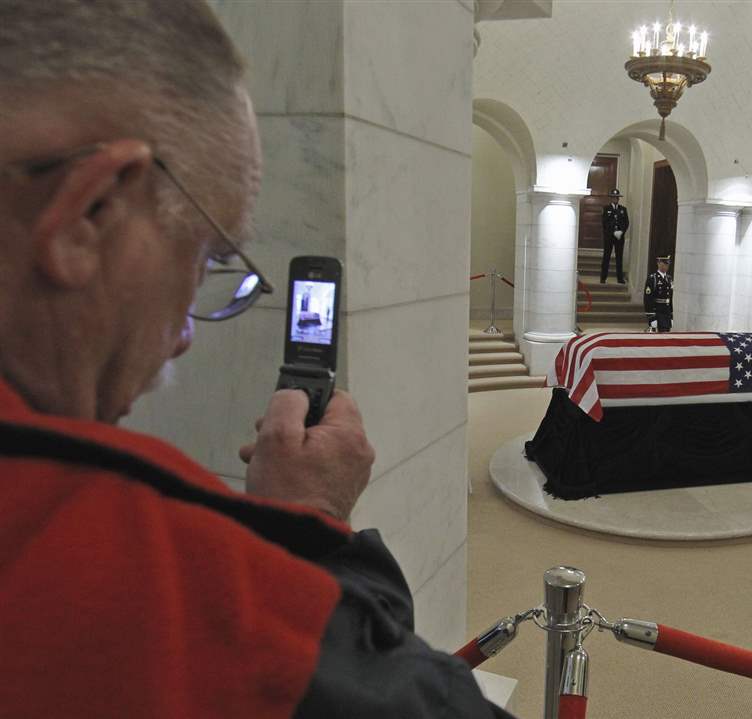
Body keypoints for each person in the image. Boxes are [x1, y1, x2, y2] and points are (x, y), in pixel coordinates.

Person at [0, 2, 512, 717]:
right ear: (90, 214)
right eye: (210, 256)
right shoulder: (145, 572)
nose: (183, 335)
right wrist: (311, 522)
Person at [600, 187, 630, 284]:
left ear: (618, 198)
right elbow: (605, 223)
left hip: (619, 237)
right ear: (611, 198)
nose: (615, 199)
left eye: (617, 197)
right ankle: (603, 278)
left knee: (619, 258)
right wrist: (613, 231)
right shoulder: (606, 209)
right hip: (609, 236)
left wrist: (621, 232)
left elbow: (626, 223)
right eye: (614, 197)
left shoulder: (623, 209)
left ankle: (620, 278)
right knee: (606, 257)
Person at [644, 254, 674, 333]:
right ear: (659, 263)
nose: (666, 266)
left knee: (667, 336)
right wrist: (651, 317)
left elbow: (670, 298)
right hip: (657, 312)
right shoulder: (652, 278)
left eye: (667, 264)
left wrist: (671, 315)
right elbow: (648, 299)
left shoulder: (669, 278)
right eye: (664, 263)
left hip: (666, 313)